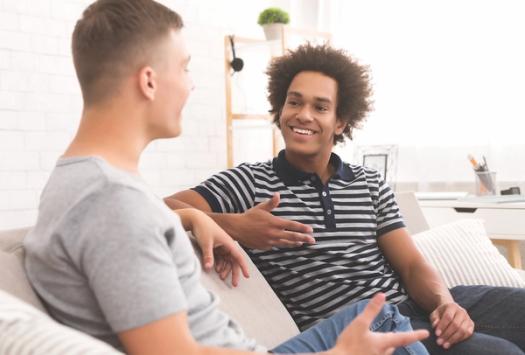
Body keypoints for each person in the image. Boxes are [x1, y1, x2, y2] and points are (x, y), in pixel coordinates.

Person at [23, 1, 429, 354]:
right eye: (183, 68)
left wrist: (194, 217)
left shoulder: (88, 185)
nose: (191, 84)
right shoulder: (111, 203)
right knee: (379, 317)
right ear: (149, 81)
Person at [166, 43, 525, 355]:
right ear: (281, 108)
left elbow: (412, 267)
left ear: (341, 122)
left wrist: (445, 304)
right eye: (294, 102)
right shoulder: (249, 181)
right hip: (370, 328)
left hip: (420, 305)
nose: (303, 115)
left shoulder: (368, 182)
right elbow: (155, 207)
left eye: (320, 107)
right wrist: (236, 226)